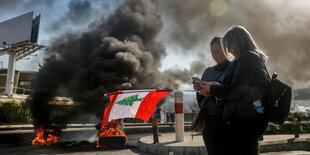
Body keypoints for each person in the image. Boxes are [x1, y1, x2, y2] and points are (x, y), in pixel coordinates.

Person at [200, 26, 269, 155]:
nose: (229, 50)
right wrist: (216, 87)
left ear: (238, 42)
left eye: (229, 45)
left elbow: (236, 91)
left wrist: (213, 88)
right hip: (246, 122)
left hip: (245, 123)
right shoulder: (250, 58)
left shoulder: (247, 58)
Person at [192, 36, 229, 155]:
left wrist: (216, 89)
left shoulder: (233, 68)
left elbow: (234, 93)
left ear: (226, 50)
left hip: (225, 121)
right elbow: (200, 99)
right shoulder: (208, 71)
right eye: (212, 52)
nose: (214, 55)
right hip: (208, 120)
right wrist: (199, 89)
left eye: (217, 51)